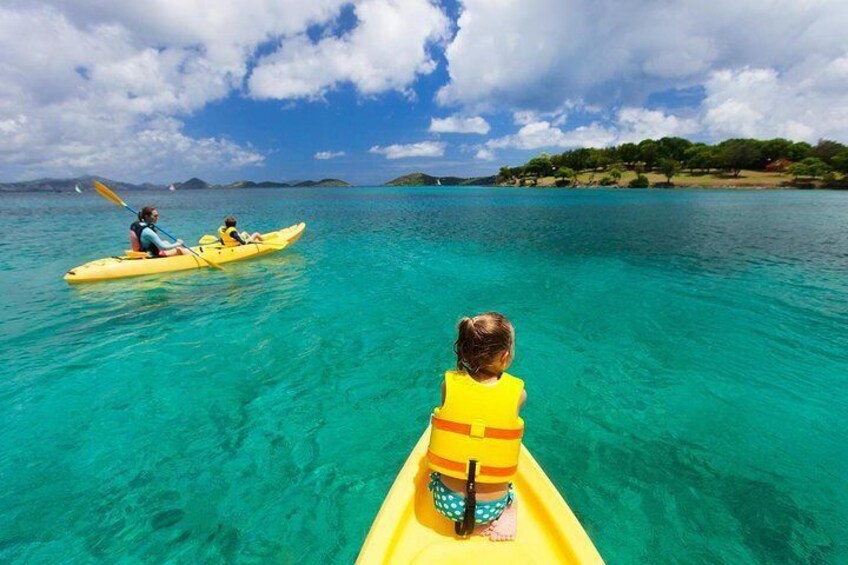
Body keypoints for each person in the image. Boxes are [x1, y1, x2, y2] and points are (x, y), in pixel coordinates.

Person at [426, 312, 526, 541]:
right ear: (506, 356)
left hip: (444, 503)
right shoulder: (518, 394)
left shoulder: (448, 385)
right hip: (492, 507)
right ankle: (510, 511)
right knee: (512, 490)